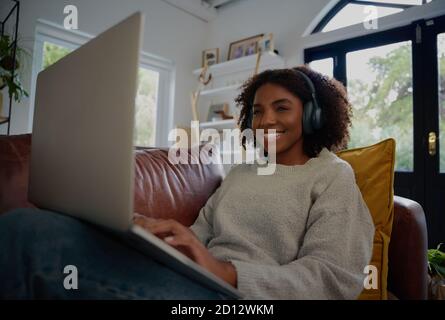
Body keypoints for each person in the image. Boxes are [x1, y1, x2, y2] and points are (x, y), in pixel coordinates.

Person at [0, 66, 375, 300]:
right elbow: (199, 234)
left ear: (312, 117)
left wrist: (229, 273)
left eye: (282, 108)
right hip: (195, 280)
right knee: (31, 225)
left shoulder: (331, 176)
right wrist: (160, 237)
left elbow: (333, 279)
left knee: (36, 250)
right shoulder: (242, 173)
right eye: (257, 111)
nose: (265, 121)